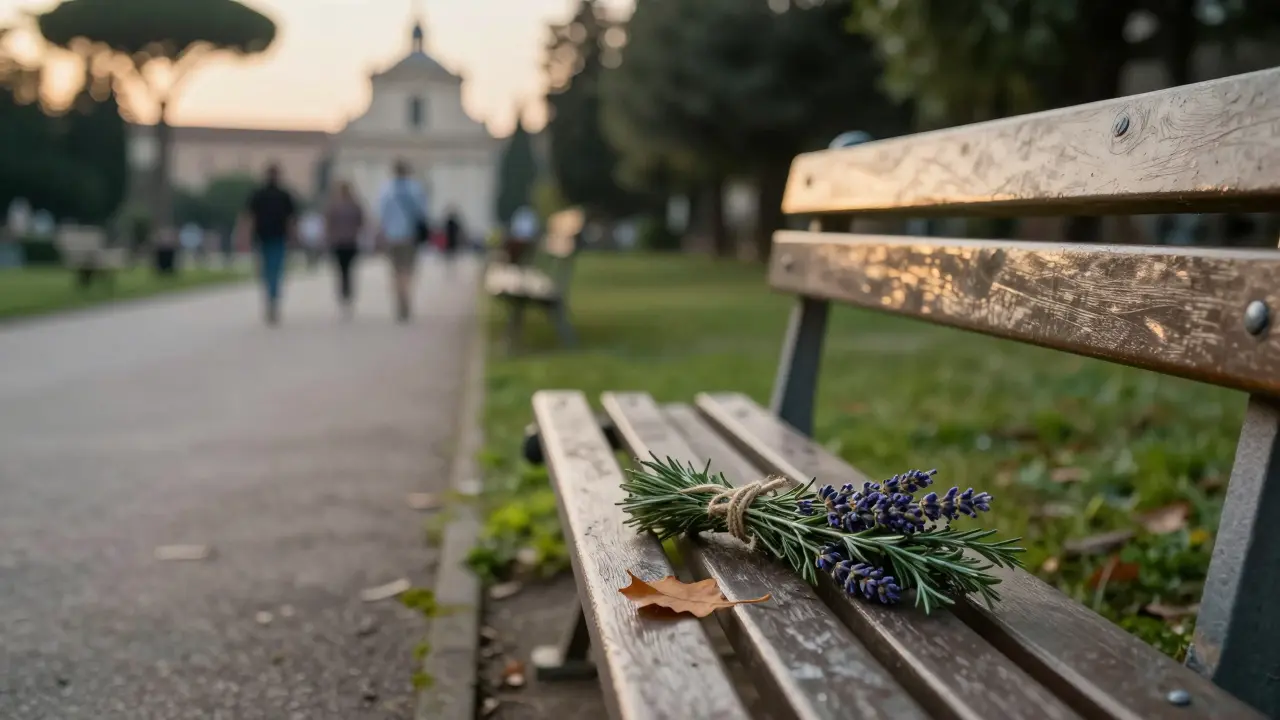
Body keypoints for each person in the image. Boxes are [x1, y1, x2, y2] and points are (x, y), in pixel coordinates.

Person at [238, 164, 297, 326]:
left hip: (266, 237)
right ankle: (273, 297)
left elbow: (249, 218)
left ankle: (271, 297)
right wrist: (293, 238)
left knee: (268, 270)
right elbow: (290, 221)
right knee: (275, 269)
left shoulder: (259, 195)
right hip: (274, 237)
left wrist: (245, 236)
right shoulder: (284, 195)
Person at [376, 159, 428, 322]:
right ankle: (406, 296)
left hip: (392, 237)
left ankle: (399, 299)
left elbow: (381, 215)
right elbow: (422, 212)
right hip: (410, 236)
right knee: (408, 270)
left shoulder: (386, 189)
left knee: (395, 271)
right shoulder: (415, 188)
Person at [324, 181, 365, 318]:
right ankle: (348, 293)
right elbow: (361, 223)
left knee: (341, 270)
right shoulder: (355, 206)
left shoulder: (333, 206)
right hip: (351, 242)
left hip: (338, 243)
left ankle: (343, 293)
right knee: (349, 270)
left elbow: (328, 224)